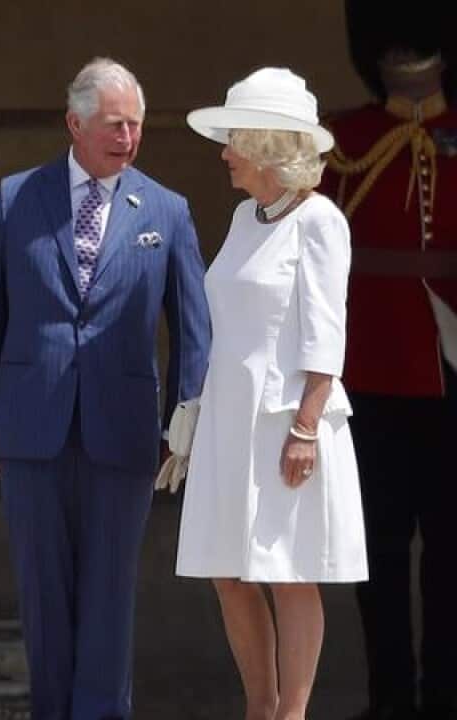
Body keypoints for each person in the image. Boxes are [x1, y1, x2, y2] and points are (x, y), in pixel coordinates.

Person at [0, 57, 211, 719]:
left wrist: (183, 423)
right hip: (30, 426)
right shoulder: (16, 198)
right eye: (113, 124)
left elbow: (193, 327)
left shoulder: (167, 210)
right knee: (43, 594)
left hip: (123, 430)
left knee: (109, 593)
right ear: (74, 124)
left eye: (135, 124)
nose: (127, 137)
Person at [178, 68, 368, 720]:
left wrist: (307, 427)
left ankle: (293, 714)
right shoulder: (244, 216)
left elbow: (326, 333)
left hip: (286, 420)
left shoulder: (319, 220)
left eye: (234, 139)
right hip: (229, 418)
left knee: (288, 571)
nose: (224, 154)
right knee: (226, 570)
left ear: (264, 144)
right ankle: (260, 708)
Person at [321, 4, 457, 718]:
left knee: (452, 554)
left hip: (450, 373)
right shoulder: (342, 141)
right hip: (368, 371)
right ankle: (390, 701)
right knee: (374, 550)